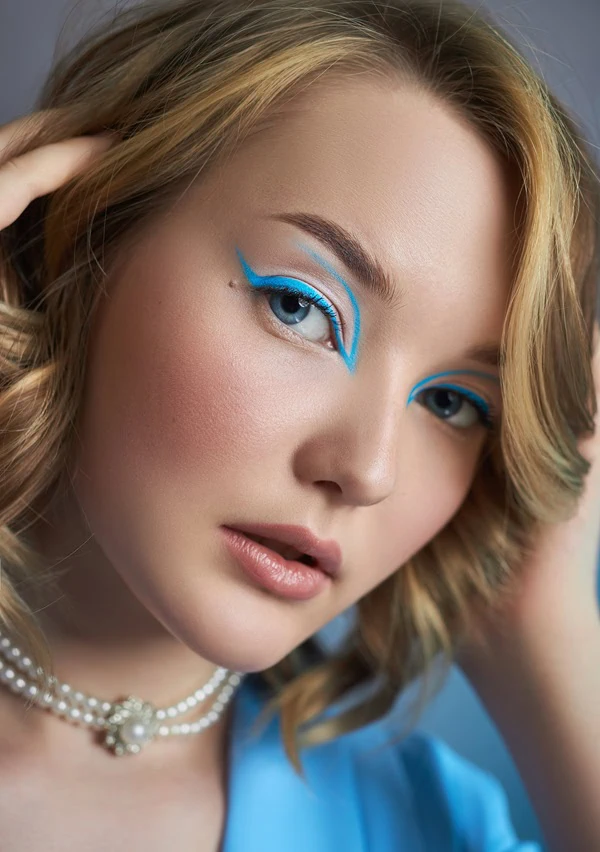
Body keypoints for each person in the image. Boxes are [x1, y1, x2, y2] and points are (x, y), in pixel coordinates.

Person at [0, 0, 598, 848]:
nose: (369, 469)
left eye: (452, 402)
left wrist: (547, 634)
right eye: (300, 307)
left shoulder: (432, 829)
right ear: (89, 231)